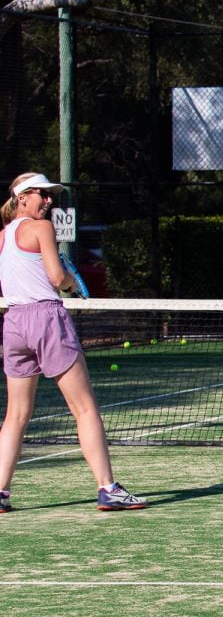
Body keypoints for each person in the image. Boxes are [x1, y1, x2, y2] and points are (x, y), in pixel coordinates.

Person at [0, 172, 146, 512]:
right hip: (46, 318)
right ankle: (108, 488)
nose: (49, 200)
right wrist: (68, 283)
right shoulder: (42, 228)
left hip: (13, 323)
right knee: (84, 408)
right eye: (42, 195)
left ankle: (1, 493)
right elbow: (55, 276)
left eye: (51, 195)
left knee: (16, 415)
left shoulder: (3, 237)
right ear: (22, 197)